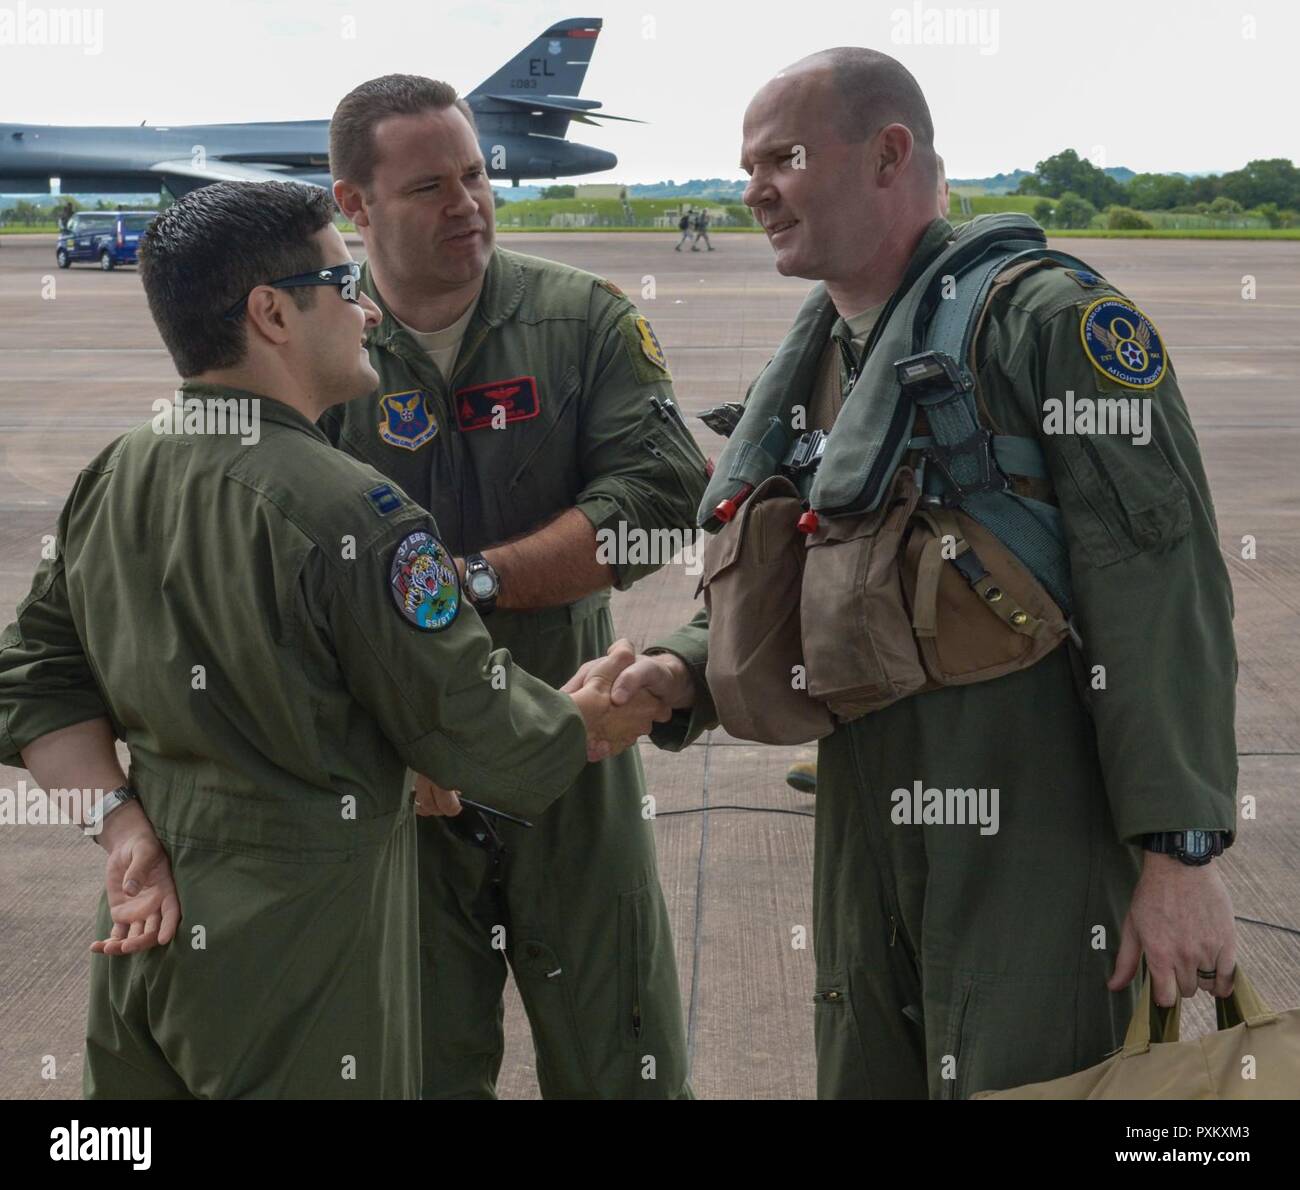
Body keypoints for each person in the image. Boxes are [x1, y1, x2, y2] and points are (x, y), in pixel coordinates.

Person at [569, 47, 1240, 1099]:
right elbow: (817, 565)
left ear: (889, 153)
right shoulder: (828, 351)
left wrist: (1180, 853)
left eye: (781, 158)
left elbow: (1162, 589)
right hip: (865, 803)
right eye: (744, 166)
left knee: (1027, 1074)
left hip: (1032, 823)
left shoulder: (1050, 325)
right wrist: (680, 670)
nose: (752, 191)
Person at [0, 179, 658, 1099]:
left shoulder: (116, 472)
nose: (366, 309)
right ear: (271, 313)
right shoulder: (353, 510)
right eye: (344, 283)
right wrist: (583, 717)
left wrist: (123, 830)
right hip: (300, 963)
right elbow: (477, 727)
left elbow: (34, 684)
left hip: (147, 935)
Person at [324, 75, 707, 1099]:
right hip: (401, 774)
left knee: (621, 1052)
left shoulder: (581, 318)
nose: (468, 204)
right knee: (416, 1058)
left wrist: (477, 578)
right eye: (428, 187)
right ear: (353, 204)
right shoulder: (315, 345)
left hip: (571, 741)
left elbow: (667, 494)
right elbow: (275, 548)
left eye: (477, 174)